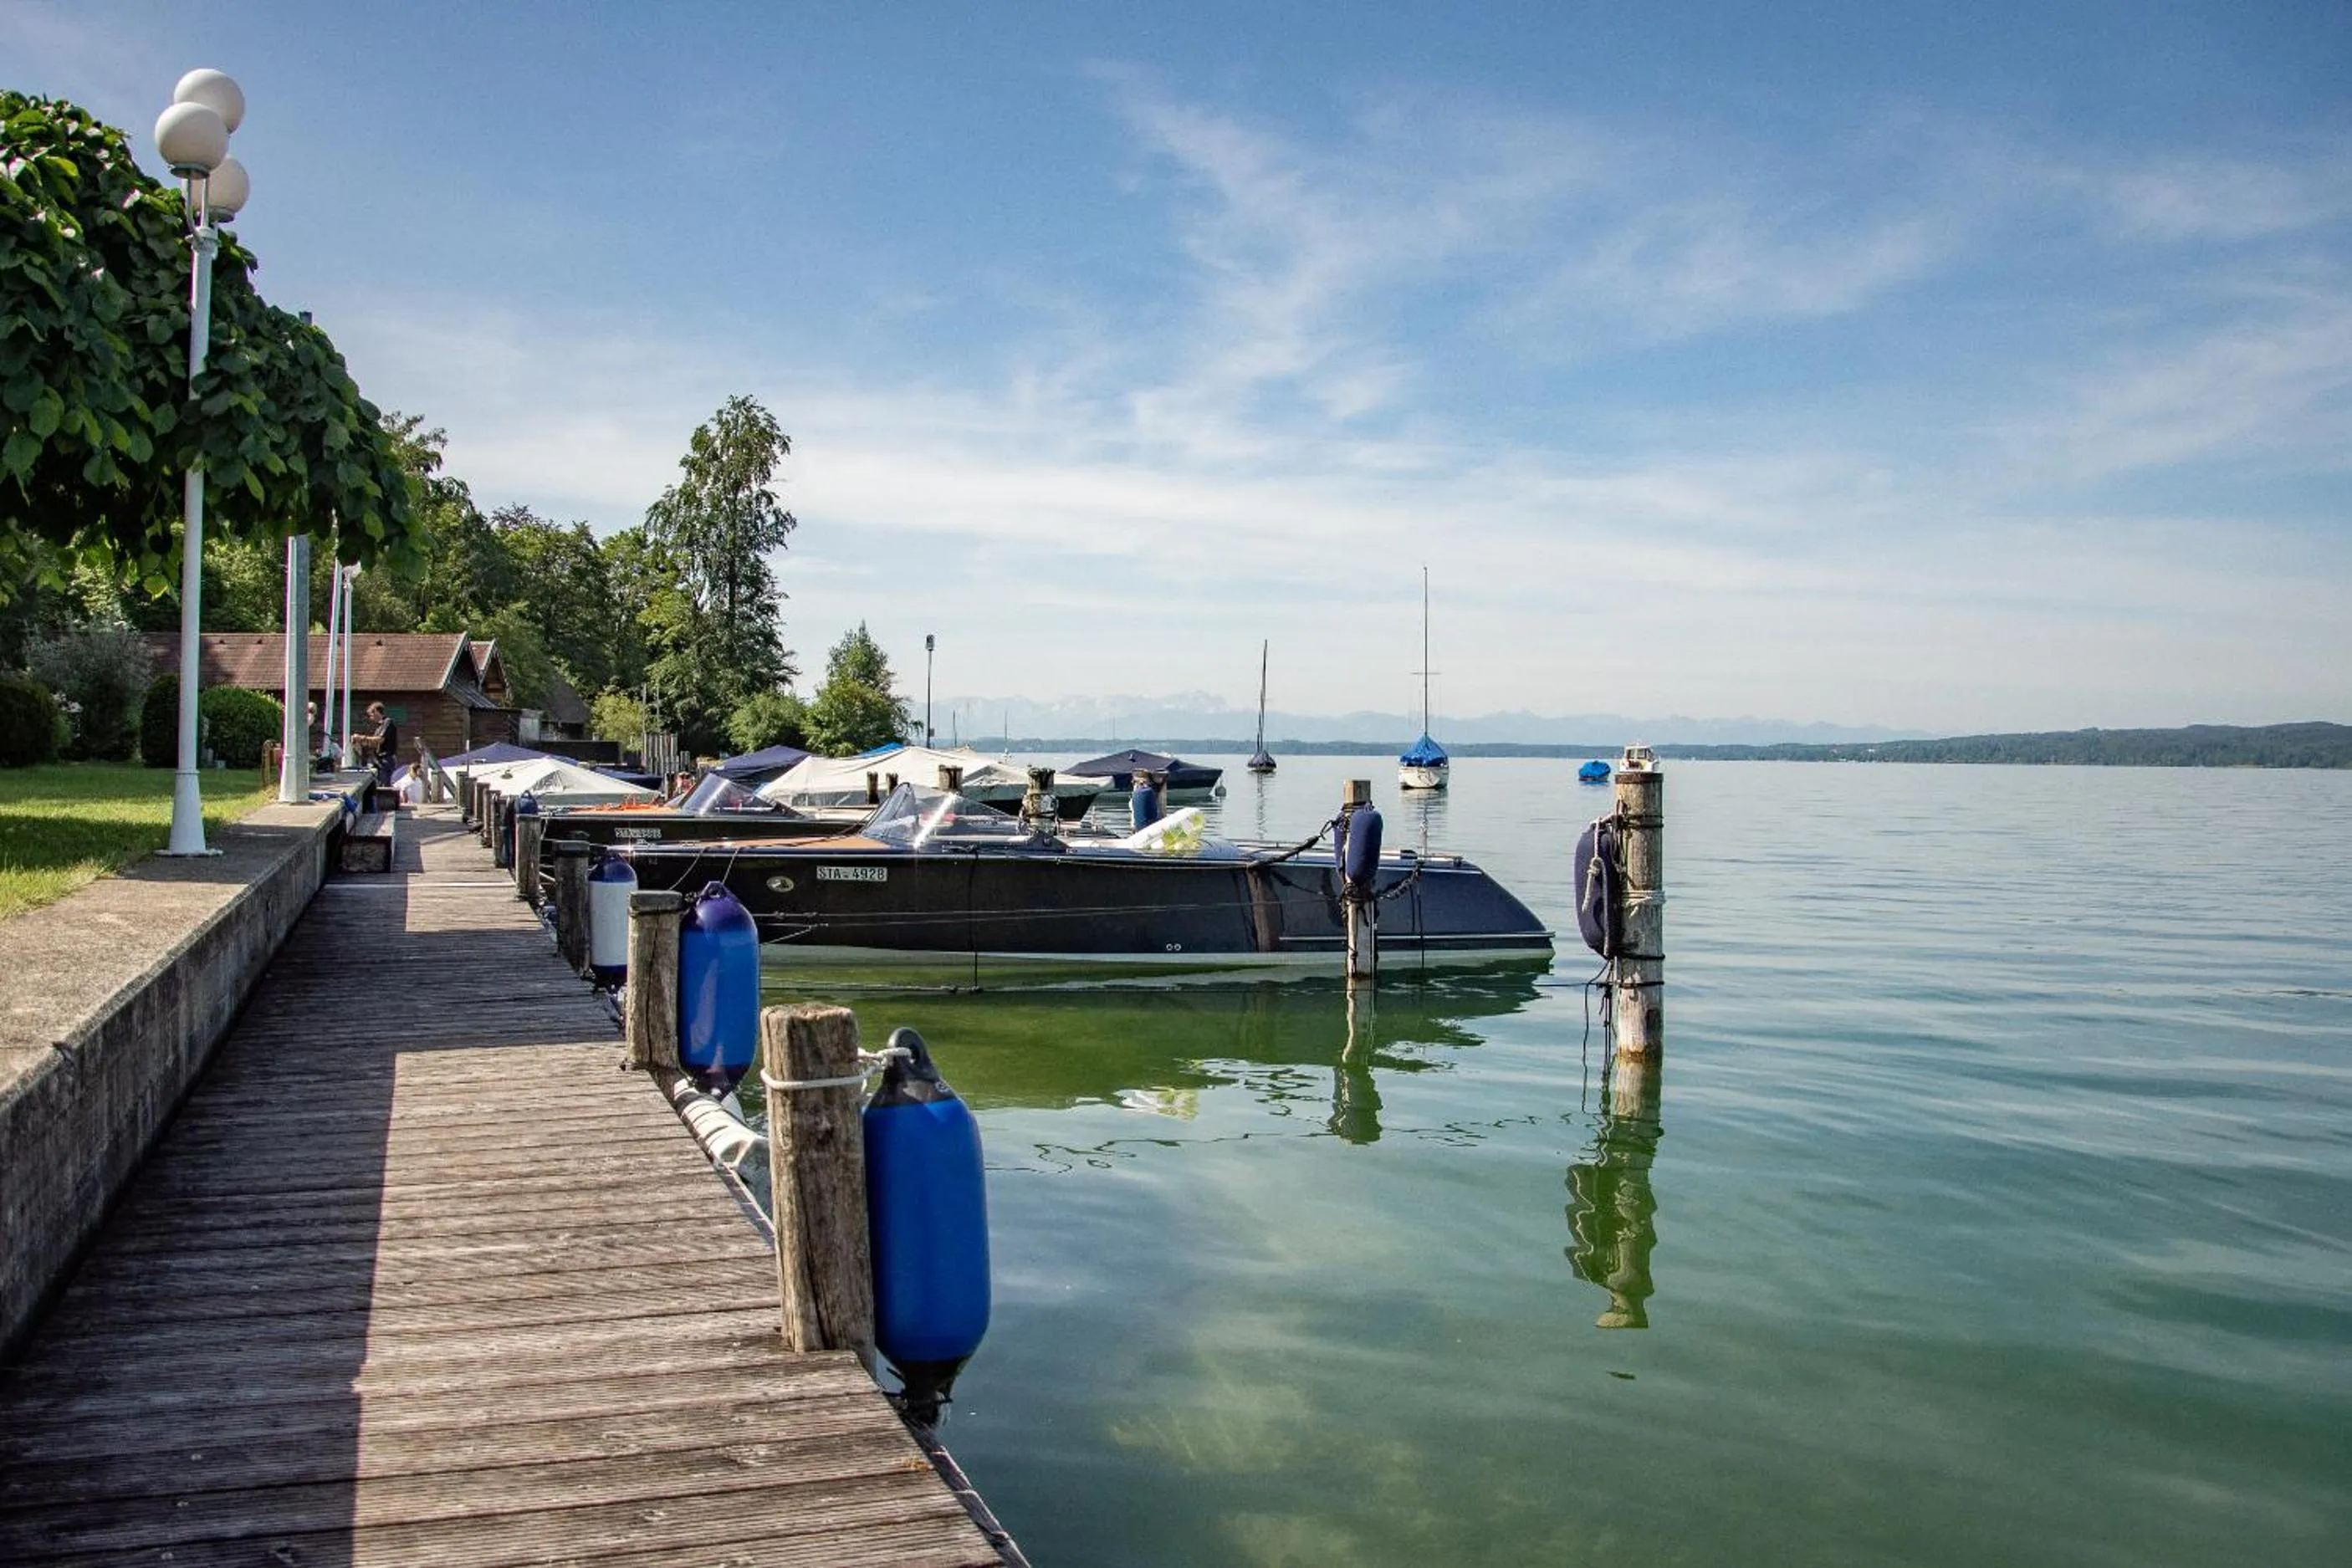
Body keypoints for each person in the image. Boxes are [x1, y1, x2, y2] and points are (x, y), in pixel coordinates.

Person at [364, 702, 397, 784]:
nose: (370, 718)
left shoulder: (388, 722)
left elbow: (380, 739)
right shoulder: (379, 727)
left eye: (371, 715)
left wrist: (362, 738)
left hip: (386, 759)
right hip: (378, 760)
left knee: (385, 785)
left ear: (376, 711)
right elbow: (375, 743)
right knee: (378, 784)